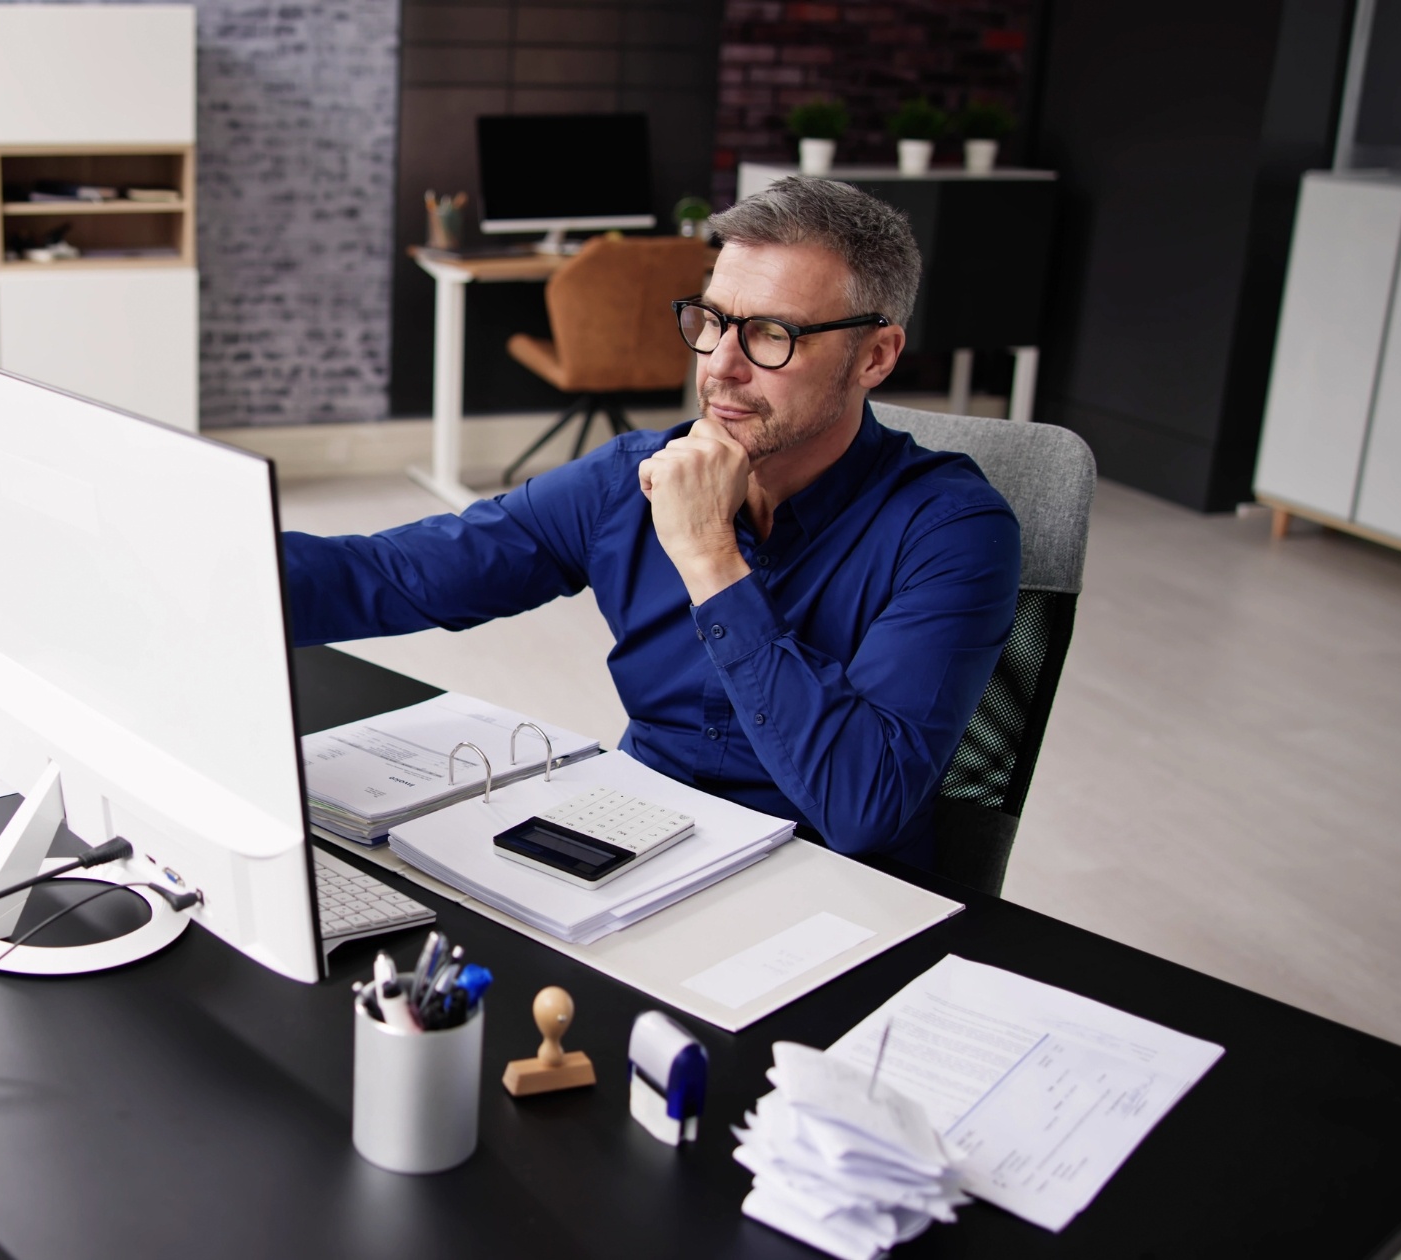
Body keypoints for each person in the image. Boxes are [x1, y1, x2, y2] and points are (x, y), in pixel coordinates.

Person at [283, 177, 1021, 866]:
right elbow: (397, 574)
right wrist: (205, 560)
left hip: (824, 886)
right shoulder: (628, 477)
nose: (721, 366)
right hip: (638, 847)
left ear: (876, 356)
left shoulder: (952, 531)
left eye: (770, 334)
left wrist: (710, 558)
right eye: (712, 321)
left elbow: (864, 809)